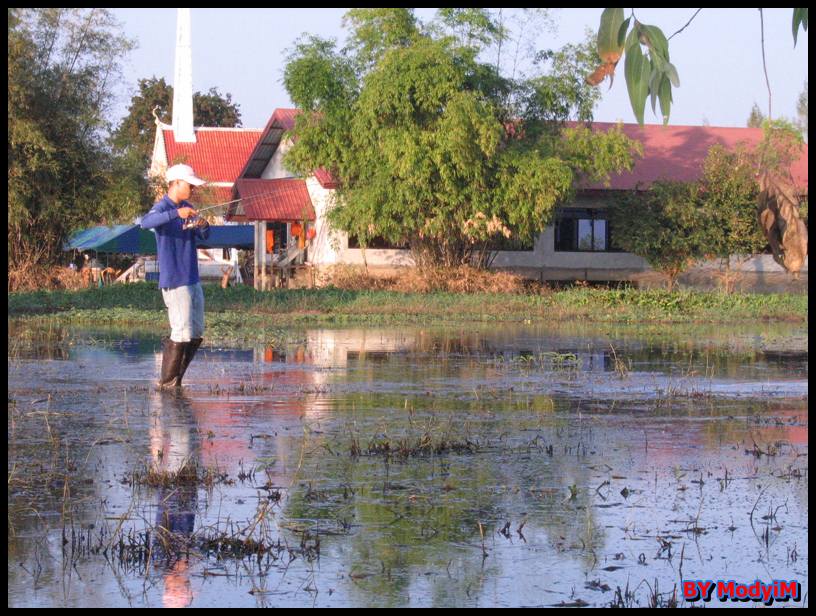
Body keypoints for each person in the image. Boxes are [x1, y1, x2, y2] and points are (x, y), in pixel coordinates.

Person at [141, 164, 211, 389]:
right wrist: (175, 214)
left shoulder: (189, 207)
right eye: (189, 183)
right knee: (181, 331)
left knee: (196, 331)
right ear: (177, 183)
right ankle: (167, 383)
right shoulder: (162, 207)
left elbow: (205, 235)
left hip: (192, 278)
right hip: (175, 280)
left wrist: (202, 224)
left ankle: (176, 380)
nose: (192, 187)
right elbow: (145, 223)